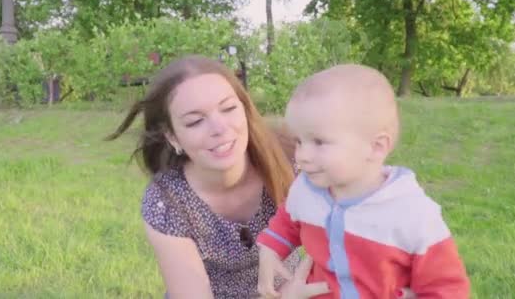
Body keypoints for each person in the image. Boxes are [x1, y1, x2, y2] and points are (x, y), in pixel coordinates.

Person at [106, 55, 328, 298]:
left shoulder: (295, 159)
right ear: (173, 137)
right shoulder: (167, 201)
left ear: (245, 110)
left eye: (229, 108)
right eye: (195, 121)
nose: (219, 128)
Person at [256, 64, 470, 298]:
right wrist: (270, 250)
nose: (302, 156)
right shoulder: (307, 190)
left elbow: (446, 287)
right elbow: (289, 219)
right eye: (299, 141)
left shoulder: (414, 215)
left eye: (318, 142)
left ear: (376, 147)